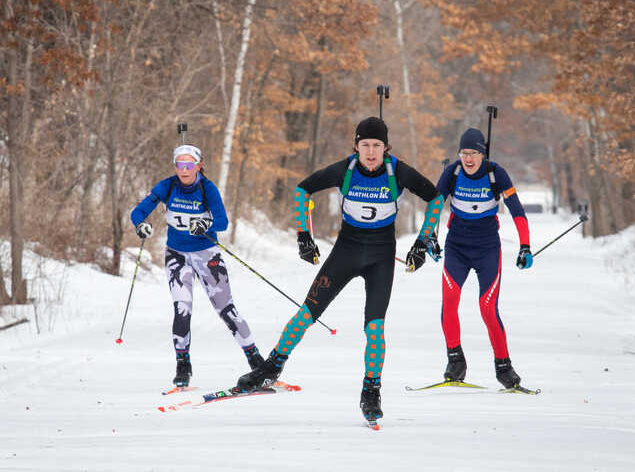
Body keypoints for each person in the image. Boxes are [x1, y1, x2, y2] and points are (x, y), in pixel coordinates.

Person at [235, 117, 444, 423]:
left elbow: (435, 197)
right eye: (365, 145)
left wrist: (423, 242)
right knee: (306, 313)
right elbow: (303, 190)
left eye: (376, 146)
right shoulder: (344, 170)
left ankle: (371, 391)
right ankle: (270, 368)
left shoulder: (396, 171)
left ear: (386, 148)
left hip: (380, 256)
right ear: (356, 146)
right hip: (346, 250)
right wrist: (303, 236)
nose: (371, 152)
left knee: (375, 328)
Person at [130, 144, 263, 388]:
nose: (185, 169)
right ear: (175, 167)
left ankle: (255, 359)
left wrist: (206, 223)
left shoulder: (207, 188)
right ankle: (183, 364)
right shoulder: (167, 186)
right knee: (182, 308)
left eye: (189, 164)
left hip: (206, 254)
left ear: (198, 166)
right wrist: (141, 225)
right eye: (180, 164)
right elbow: (138, 211)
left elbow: (223, 221)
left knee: (226, 308)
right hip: (177, 255)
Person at [435, 127, 533, 389]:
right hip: (456, 247)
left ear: (483, 154)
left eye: (474, 153)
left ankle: (504, 367)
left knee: (488, 308)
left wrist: (525, 245)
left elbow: (517, 210)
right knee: (450, 300)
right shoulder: (452, 172)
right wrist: (428, 238)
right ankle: (455, 361)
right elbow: (434, 206)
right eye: (464, 153)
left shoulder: (495, 173)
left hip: (487, 249)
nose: (469, 159)